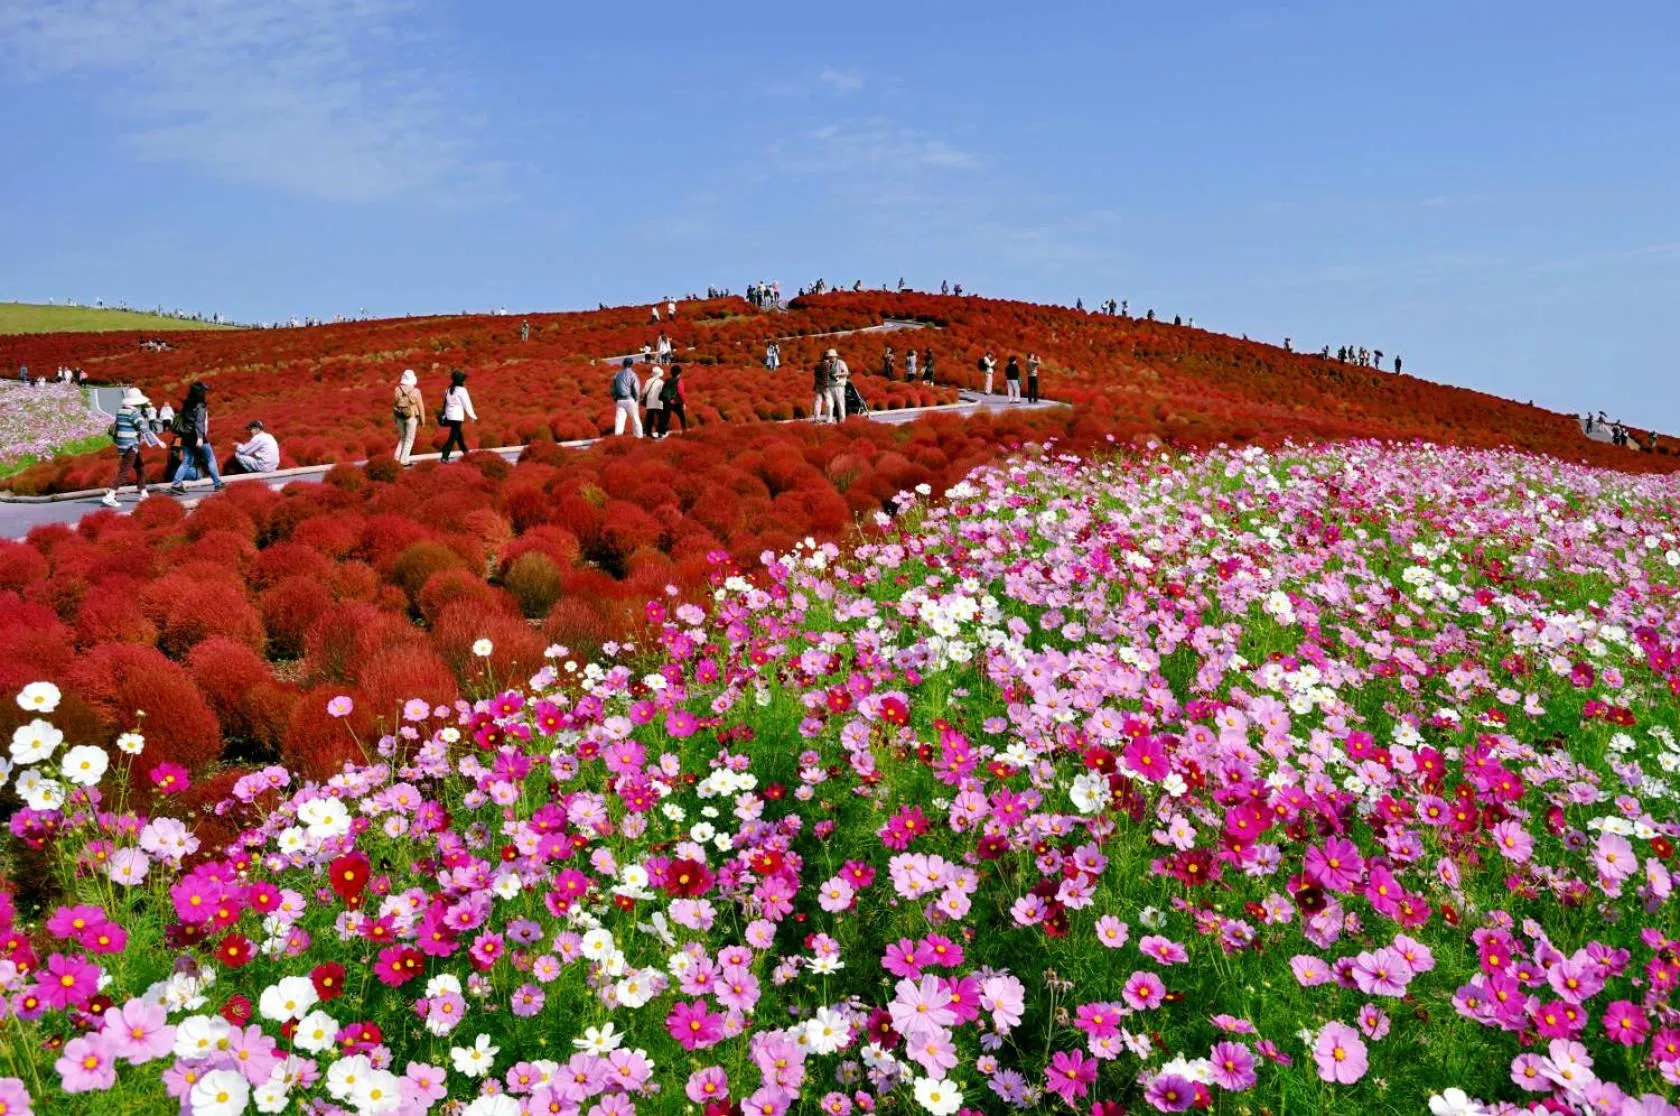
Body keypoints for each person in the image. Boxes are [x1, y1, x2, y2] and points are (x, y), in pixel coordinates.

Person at [101, 387, 161, 506]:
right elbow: (145, 429)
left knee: (140, 468)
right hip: (131, 446)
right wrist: (158, 441)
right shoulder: (134, 414)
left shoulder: (121, 411)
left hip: (123, 445)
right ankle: (110, 495)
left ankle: (144, 493)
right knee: (124, 471)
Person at [167, 382, 223, 494]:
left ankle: (176, 484)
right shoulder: (200, 406)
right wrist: (200, 438)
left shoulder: (187, 403)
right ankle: (218, 484)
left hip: (186, 436)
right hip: (197, 436)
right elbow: (199, 423)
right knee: (210, 459)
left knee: (186, 462)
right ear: (200, 393)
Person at [439, 369, 476, 462]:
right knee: (453, 438)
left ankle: (466, 452)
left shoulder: (448, 390)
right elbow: (467, 404)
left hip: (449, 416)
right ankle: (445, 454)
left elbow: (446, 404)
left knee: (459, 436)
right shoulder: (462, 390)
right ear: (460, 381)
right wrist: (472, 416)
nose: (464, 381)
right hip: (457, 417)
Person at [393, 368, 424, 464]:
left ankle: (396, 457)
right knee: (409, 439)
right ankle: (404, 460)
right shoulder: (416, 391)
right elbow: (420, 407)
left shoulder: (397, 389)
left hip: (399, 416)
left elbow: (394, 404)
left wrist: (395, 418)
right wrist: (422, 420)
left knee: (403, 437)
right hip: (411, 417)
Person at [611, 358, 643, 437]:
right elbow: (635, 388)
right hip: (630, 399)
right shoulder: (633, 374)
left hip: (620, 400)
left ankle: (618, 438)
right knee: (635, 419)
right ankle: (639, 437)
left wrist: (615, 397)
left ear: (623, 364)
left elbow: (613, 388)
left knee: (619, 421)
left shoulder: (617, 375)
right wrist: (636, 398)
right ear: (631, 364)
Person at [660, 364, 688, 435]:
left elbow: (664, 390)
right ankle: (684, 431)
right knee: (682, 416)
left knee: (666, 417)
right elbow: (681, 392)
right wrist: (683, 403)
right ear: (679, 373)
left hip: (666, 401)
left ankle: (662, 432)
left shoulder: (667, 380)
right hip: (676, 402)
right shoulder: (679, 381)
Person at [642, 363, 667, 438]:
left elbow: (644, 392)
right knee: (661, 418)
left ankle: (649, 433)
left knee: (650, 418)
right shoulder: (661, 382)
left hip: (650, 403)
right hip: (659, 403)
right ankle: (660, 433)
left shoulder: (648, 381)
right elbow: (664, 393)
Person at [827, 348, 850, 421]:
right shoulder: (827, 364)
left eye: (832, 357)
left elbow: (847, 373)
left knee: (840, 404)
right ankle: (829, 421)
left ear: (835, 356)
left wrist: (838, 375)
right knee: (829, 405)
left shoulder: (840, 363)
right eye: (829, 357)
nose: (830, 358)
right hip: (830, 387)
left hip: (839, 387)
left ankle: (842, 420)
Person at [811, 352, 832, 423]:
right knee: (829, 402)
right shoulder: (828, 366)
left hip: (818, 385)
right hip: (826, 386)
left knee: (818, 401)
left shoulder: (817, 366)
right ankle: (829, 419)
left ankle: (816, 418)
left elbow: (815, 376)